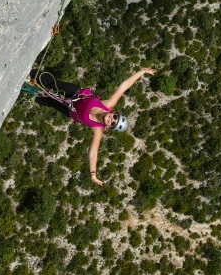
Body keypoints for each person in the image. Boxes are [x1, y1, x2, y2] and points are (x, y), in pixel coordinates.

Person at [28, 67, 156, 186]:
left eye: (113, 123)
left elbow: (93, 152)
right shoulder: (109, 104)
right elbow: (124, 86)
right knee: (54, 84)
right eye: (115, 117)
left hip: (70, 110)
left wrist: (93, 174)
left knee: (49, 101)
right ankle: (31, 73)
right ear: (115, 113)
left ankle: (27, 92)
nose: (112, 119)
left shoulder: (98, 129)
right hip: (76, 94)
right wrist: (142, 72)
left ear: (109, 128)